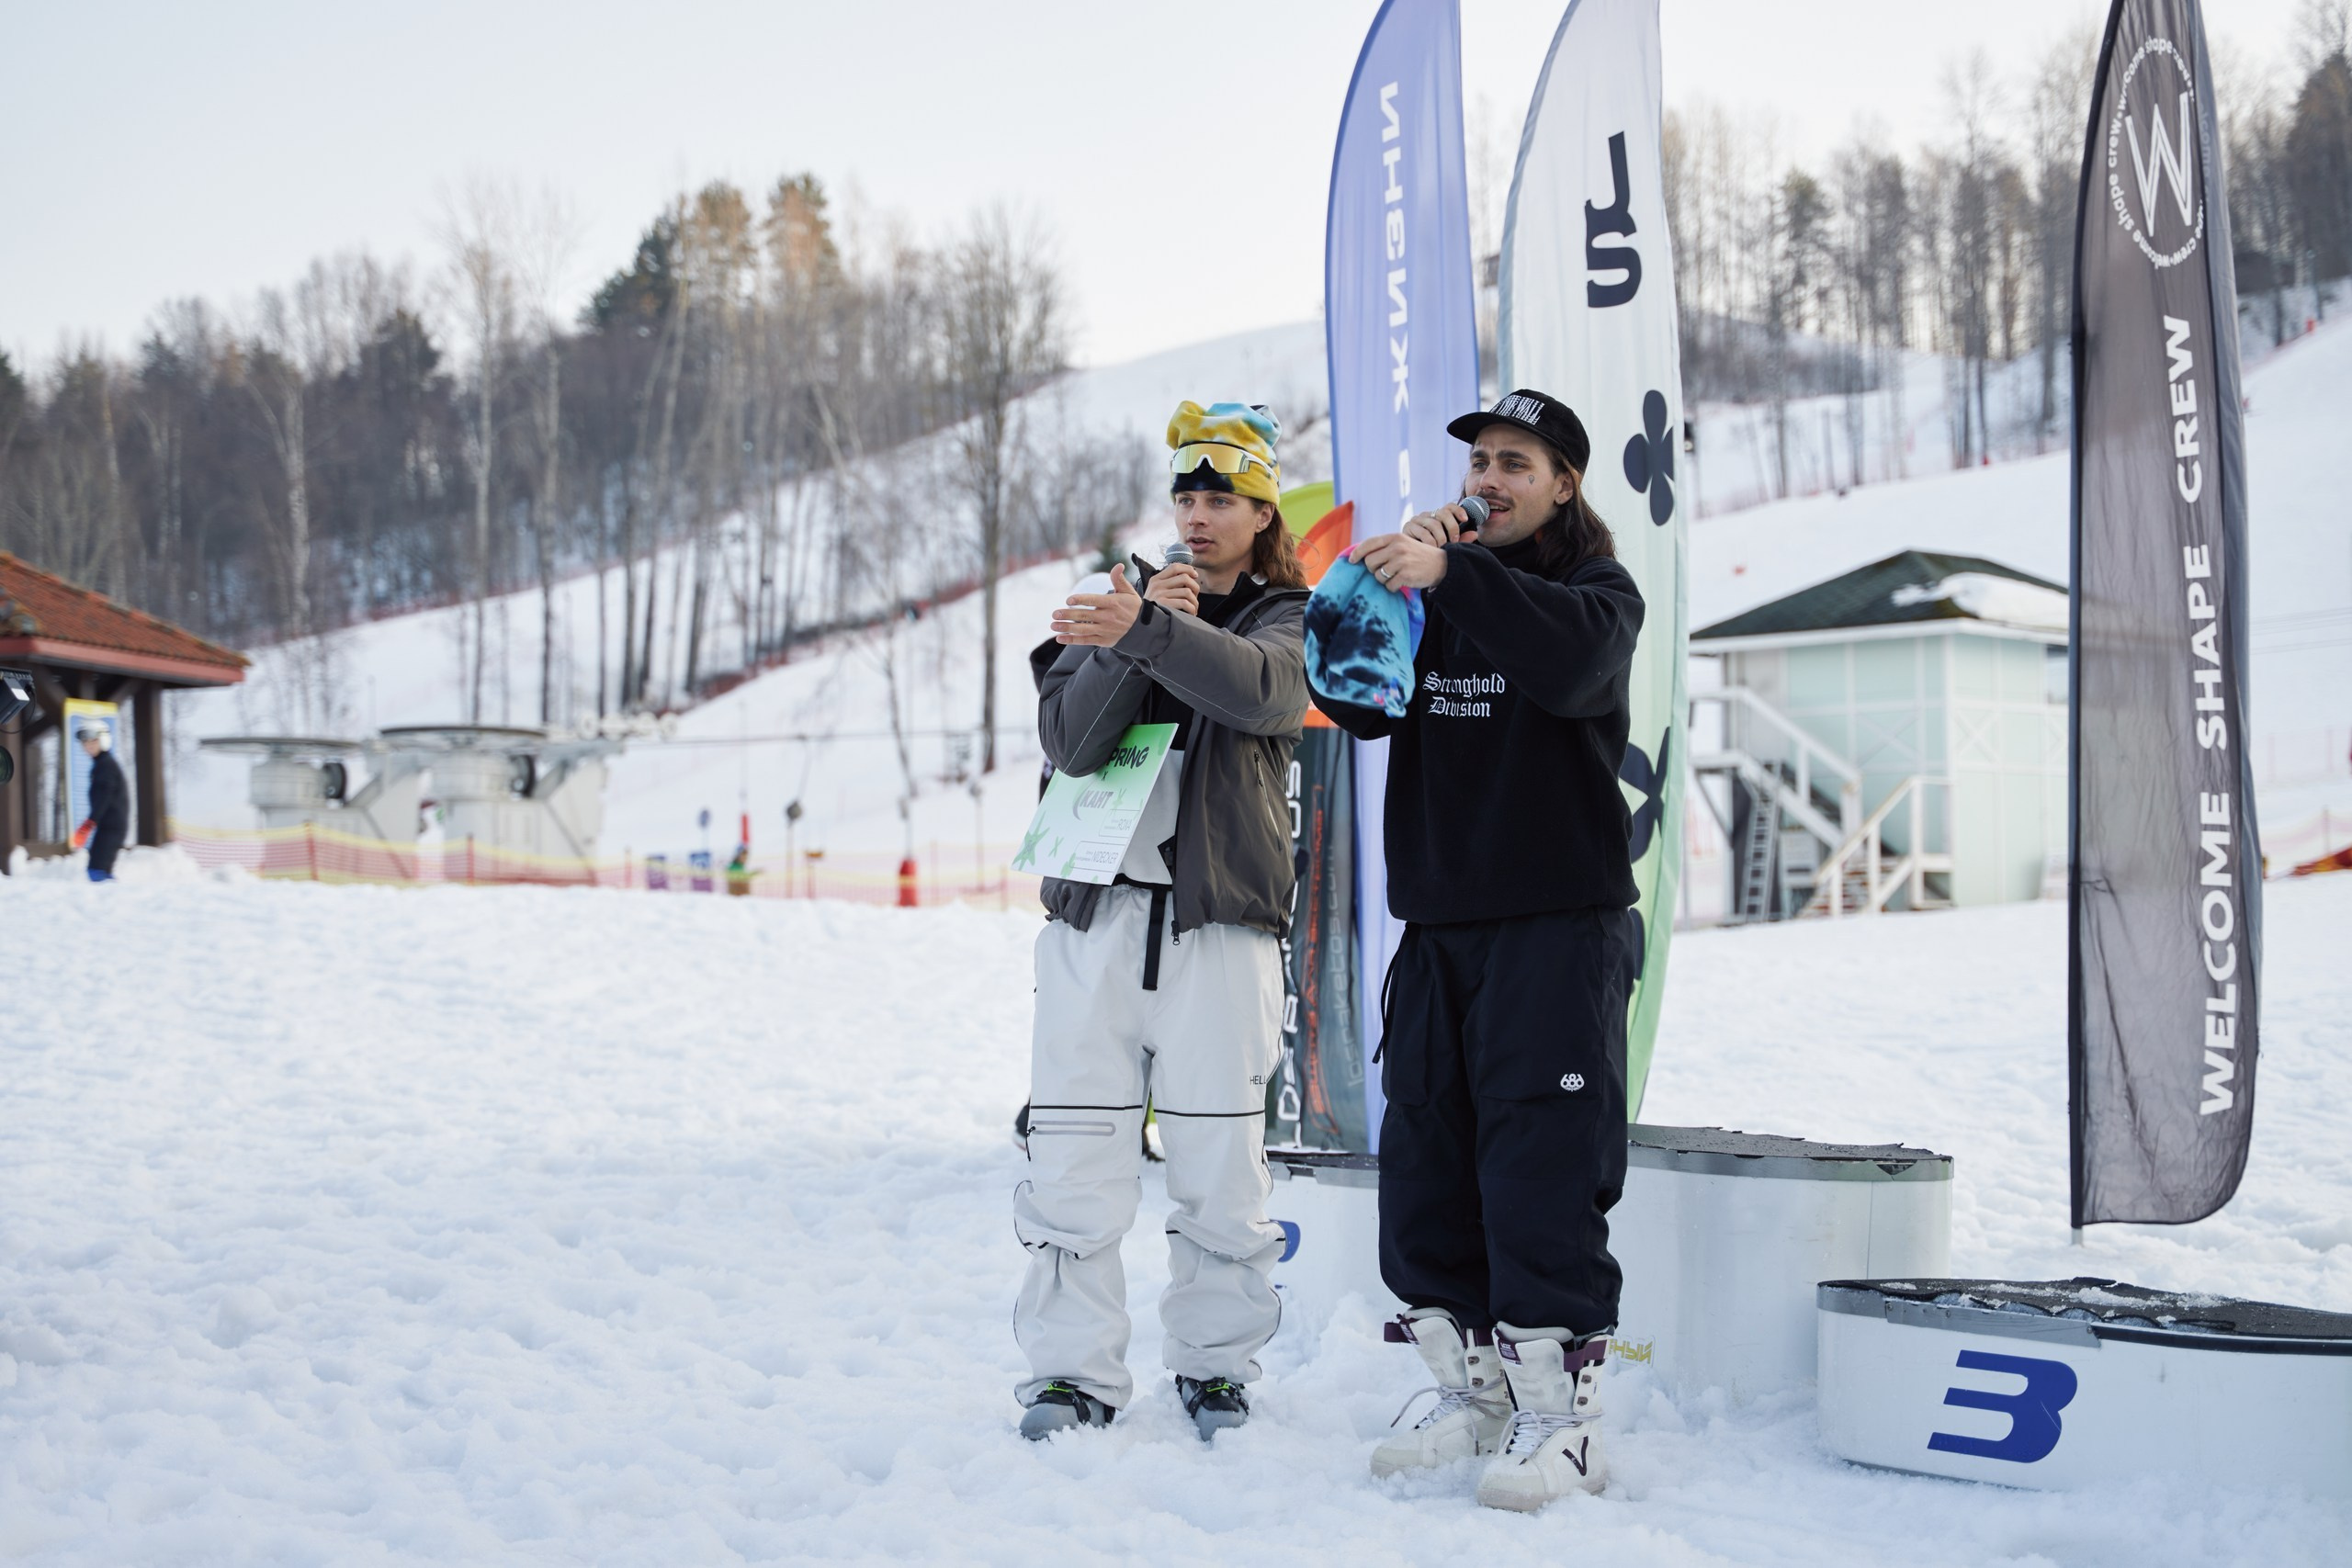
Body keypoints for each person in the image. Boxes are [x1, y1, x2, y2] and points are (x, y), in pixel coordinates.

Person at [1310, 389, 1644, 1509]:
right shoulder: (1434, 596)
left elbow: (1569, 669)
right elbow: (1354, 703)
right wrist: (1362, 589)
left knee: (1540, 1165)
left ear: (1563, 483)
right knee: (1427, 1168)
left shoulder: (1595, 593)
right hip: (1439, 928)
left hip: (1557, 926)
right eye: (1479, 460)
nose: (1487, 478)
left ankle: (1567, 1421)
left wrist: (1455, 576)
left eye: (1516, 461)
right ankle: (1476, 1398)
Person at [1013, 401, 1309, 1443]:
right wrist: (1134, 639)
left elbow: (1266, 694)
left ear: (1260, 507)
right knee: (1073, 1157)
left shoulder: (1286, 616)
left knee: (1221, 1164)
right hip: (1096, 923)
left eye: (1219, 497)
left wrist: (1160, 631)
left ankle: (1216, 1368)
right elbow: (1070, 740)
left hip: (1218, 933)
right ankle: (1069, 1375)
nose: (1196, 516)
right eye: (1185, 495)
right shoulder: (1116, 608)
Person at [76, 724, 130, 883]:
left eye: (93, 741)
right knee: (98, 870)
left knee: (97, 870)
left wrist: (88, 824)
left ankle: (117, 900)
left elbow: (104, 796)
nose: (88, 746)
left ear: (103, 740)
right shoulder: (101, 764)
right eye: (85, 742)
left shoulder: (106, 765)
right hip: (108, 826)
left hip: (112, 827)